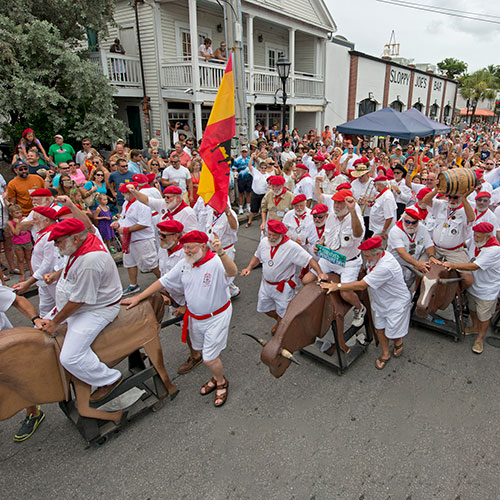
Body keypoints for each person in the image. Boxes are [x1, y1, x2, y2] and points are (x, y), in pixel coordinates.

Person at [123, 230, 236, 407]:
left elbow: (232, 271)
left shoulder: (215, 261)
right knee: (205, 352)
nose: (187, 251)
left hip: (217, 317)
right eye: (185, 248)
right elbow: (163, 281)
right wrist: (139, 297)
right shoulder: (185, 263)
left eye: (190, 248)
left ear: (203, 246)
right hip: (196, 318)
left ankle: (221, 382)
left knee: (209, 358)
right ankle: (215, 376)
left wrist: (221, 253)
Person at [39, 218, 124, 404]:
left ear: (75, 238)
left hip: (98, 309)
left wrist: (55, 321)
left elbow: (78, 301)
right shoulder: (83, 243)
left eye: (58, 241)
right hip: (81, 304)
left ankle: (109, 378)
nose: (55, 245)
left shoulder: (91, 260)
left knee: (70, 357)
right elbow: (73, 266)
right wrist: (56, 275)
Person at [320, 236, 411, 370]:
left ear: (378, 254)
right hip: (381, 301)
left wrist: (337, 286)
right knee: (380, 328)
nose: (366, 258)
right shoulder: (375, 258)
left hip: (396, 303)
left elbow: (362, 285)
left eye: (367, 256)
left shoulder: (385, 266)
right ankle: (385, 354)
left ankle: (398, 341)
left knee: (393, 331)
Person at [241, 219, 328, 333]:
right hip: (266, 284)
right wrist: (249, 267)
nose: (271, 238)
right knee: (264, 309)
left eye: (274, 235)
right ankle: (280, 321)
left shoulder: (291, 246)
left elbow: (309, 259)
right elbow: (257, 256)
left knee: (284, 312)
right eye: (269, 234)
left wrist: (320, 273)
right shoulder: (264, 242)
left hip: (283, 288)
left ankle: (283, 332)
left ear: (281, 235)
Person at [304, 190, 366, 324]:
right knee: (306, 280)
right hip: (329, 258)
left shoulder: (356, 218)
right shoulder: (331, 216)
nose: (336, 205)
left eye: (340, 203)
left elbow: (357, 234)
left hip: (348, 263)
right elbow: (327, 235)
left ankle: (360, 308)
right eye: (335, 202)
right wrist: (320, 244)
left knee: (345, 294)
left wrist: (353, 211)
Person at [442, 222, 500, 354]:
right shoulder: (477, 241)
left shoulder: (494, 250)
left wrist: (453, 264)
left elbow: (474, 266)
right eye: (474, 235)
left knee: (483, 316)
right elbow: (464, 244)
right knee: (473, 310)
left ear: (488, 236)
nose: (475, 238)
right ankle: (474, 327)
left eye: (478, 236)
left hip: (487, 290)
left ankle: (480, 339)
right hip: (474, 285)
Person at [0, 285, 45, 442]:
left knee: (15, 379)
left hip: (3, 343)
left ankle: (34, 413)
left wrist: (36, 319)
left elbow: (17, 300)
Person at [111, 183, 160, 295]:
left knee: (151, 263)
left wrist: (126, 229)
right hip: (129, 239)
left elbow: (144, 224)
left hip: (142, 239)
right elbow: (123, 217)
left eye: (124, 192)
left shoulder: (142, 204)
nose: (122, 194)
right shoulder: (126, 203)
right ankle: (133, 285)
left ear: (131, 192)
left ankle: (163, 281)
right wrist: (117, 224)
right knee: (129, 262)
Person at [422, 187, 475, 289]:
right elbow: (425, 200)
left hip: (455, 251)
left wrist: (464, 199)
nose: (452, 200)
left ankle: (459, 296)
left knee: (468, 280)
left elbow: (471, 218)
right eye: (450, 197)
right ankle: (416, 294)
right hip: (435, 248)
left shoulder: (466, 209)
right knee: (419, 267)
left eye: (456, 197)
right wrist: (437, 189)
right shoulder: (441, 204)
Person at [13, 207, 61, 317]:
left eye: (35, 219)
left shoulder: (50, 235)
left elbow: (48, 263)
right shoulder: (43, 232)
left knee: (60, 308)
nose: (32, 222)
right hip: (43, 280)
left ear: (46, 221)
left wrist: (29, 282)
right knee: (45, 308)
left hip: (51, 280)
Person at [387, 208, 434, 287]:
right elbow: (402, 253)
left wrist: (431, 256)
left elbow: (429, 245)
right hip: (397, 267)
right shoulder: (395, 231)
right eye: (407, 222)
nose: (410, 225)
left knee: (407, 288)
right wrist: (418, 264)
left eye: (414, 223)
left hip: (412, 268)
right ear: (403, 219)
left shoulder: (422, 228)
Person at [7, 205, 33, 281]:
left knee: (29, 257)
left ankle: (32, 271)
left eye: (20, 212)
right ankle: (23, 274)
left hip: (27, 240)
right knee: (20, 259)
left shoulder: (25, 219)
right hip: (17, 242)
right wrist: (18, 223)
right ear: (11, 214)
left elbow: (29, 228)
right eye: (17, 213)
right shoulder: (10, 222)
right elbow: (16, 232)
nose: (19, 215)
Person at [368, 175, 397, 241]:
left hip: (381, 231)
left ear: (378, 185)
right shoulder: (382, 194)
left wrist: (384, 231)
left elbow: (389, 217)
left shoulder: (387, 197)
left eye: (375, 185)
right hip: (377, 229)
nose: (374, 187)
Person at [233, 146, 251, 214]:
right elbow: (235, 168)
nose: (244, 153)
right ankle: (240, 207)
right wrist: (235, 174)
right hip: (241, 179)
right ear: (241, 152)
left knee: (248, 193)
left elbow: (252, 167)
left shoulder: (249, 159)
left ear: (247, 152)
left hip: (249, 178)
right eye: (243, 151)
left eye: (245, 151)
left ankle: (248, 206)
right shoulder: (237, 159)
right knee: (241, 193)